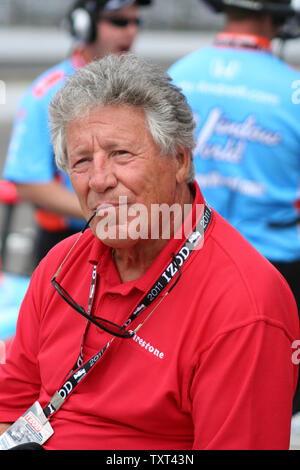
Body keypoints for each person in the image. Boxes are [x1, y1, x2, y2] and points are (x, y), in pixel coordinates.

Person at [0, 53, 298, 450]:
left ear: (179, 160)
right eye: (81, 162)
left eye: (121, 154)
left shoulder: (244, 307)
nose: (100, 180)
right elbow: (10, 405)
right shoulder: (61, 262)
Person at [168, 0, 300, 416]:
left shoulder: (178, 74)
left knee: (185, 382)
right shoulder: (293, 88)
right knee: (271, 401)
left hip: (186, 255)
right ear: (277, 18)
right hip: (277, 267)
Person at [2, 0, 152, 267]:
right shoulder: (46, 93)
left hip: (131, 239)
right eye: (119, 22)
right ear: (84, 26)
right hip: (67, 242)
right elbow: (28, 182)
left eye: (135, 22)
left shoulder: (141, 90)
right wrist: (106, 212)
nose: (131, 31)